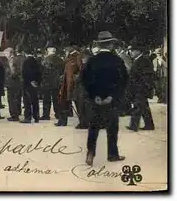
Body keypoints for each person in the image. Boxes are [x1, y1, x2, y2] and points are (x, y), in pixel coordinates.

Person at [82, 31, 128, 166]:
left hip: (95, 100)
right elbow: (123, 81)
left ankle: (90, 154)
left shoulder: (92, 60)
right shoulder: (117, 60)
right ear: (111, 44)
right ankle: (112, 154)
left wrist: (94, 96)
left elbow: (85, 80)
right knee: (112, 128)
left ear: (99, 44)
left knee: (93, 127)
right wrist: (112, 96)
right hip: (111, 101)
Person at [126, 42, 156, 131]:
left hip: (141, 88)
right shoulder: (138, 60)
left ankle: (134, 125)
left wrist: (142, 87)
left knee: (137, 106)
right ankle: (149, 125)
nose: (131, 52)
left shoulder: (144, 60)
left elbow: (146, 76)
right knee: (144, 107)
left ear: (138, 51)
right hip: (138, 87)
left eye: (133, 51)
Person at [56, 44, 82, 127]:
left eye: (67, 47)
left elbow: (81, 70)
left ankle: (83, 122)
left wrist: (76, 77)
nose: (65, 49)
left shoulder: (77, 56)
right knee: (63, 102)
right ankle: (62, 121)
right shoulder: (69, 57)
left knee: (78, 104)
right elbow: (67, 69)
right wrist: (63, 76)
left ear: (72, 47)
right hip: (66, 84)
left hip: (74, 85)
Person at [40, 46, 64, 120]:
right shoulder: (60, 60)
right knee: (56, 99)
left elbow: (43, 72)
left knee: (46, 100)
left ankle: (46, 115)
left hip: (47, 83)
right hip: (57, 83)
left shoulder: (45, 60)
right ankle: (58, 114)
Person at [21, 49, 41, 123]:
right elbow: (39, 73)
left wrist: (28, 81)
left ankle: (28, 117)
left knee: (27, 102)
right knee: (35, 101)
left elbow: (25, 73)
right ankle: (36, 116)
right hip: (35, 84)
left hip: (27, 84)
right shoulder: (36, 61)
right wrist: (37, 82)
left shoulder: (26, 62)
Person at [6, 47, 24, 122]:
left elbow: (13, 72)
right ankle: (17, 113)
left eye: (6, 53)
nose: (5, 55)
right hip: (17, 83)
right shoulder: (16, 59)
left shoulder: (11, 60)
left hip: (12, 83)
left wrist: (10, 76)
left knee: (11, 99)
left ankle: (14, 115)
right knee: (16, 99)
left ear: (10, 53)